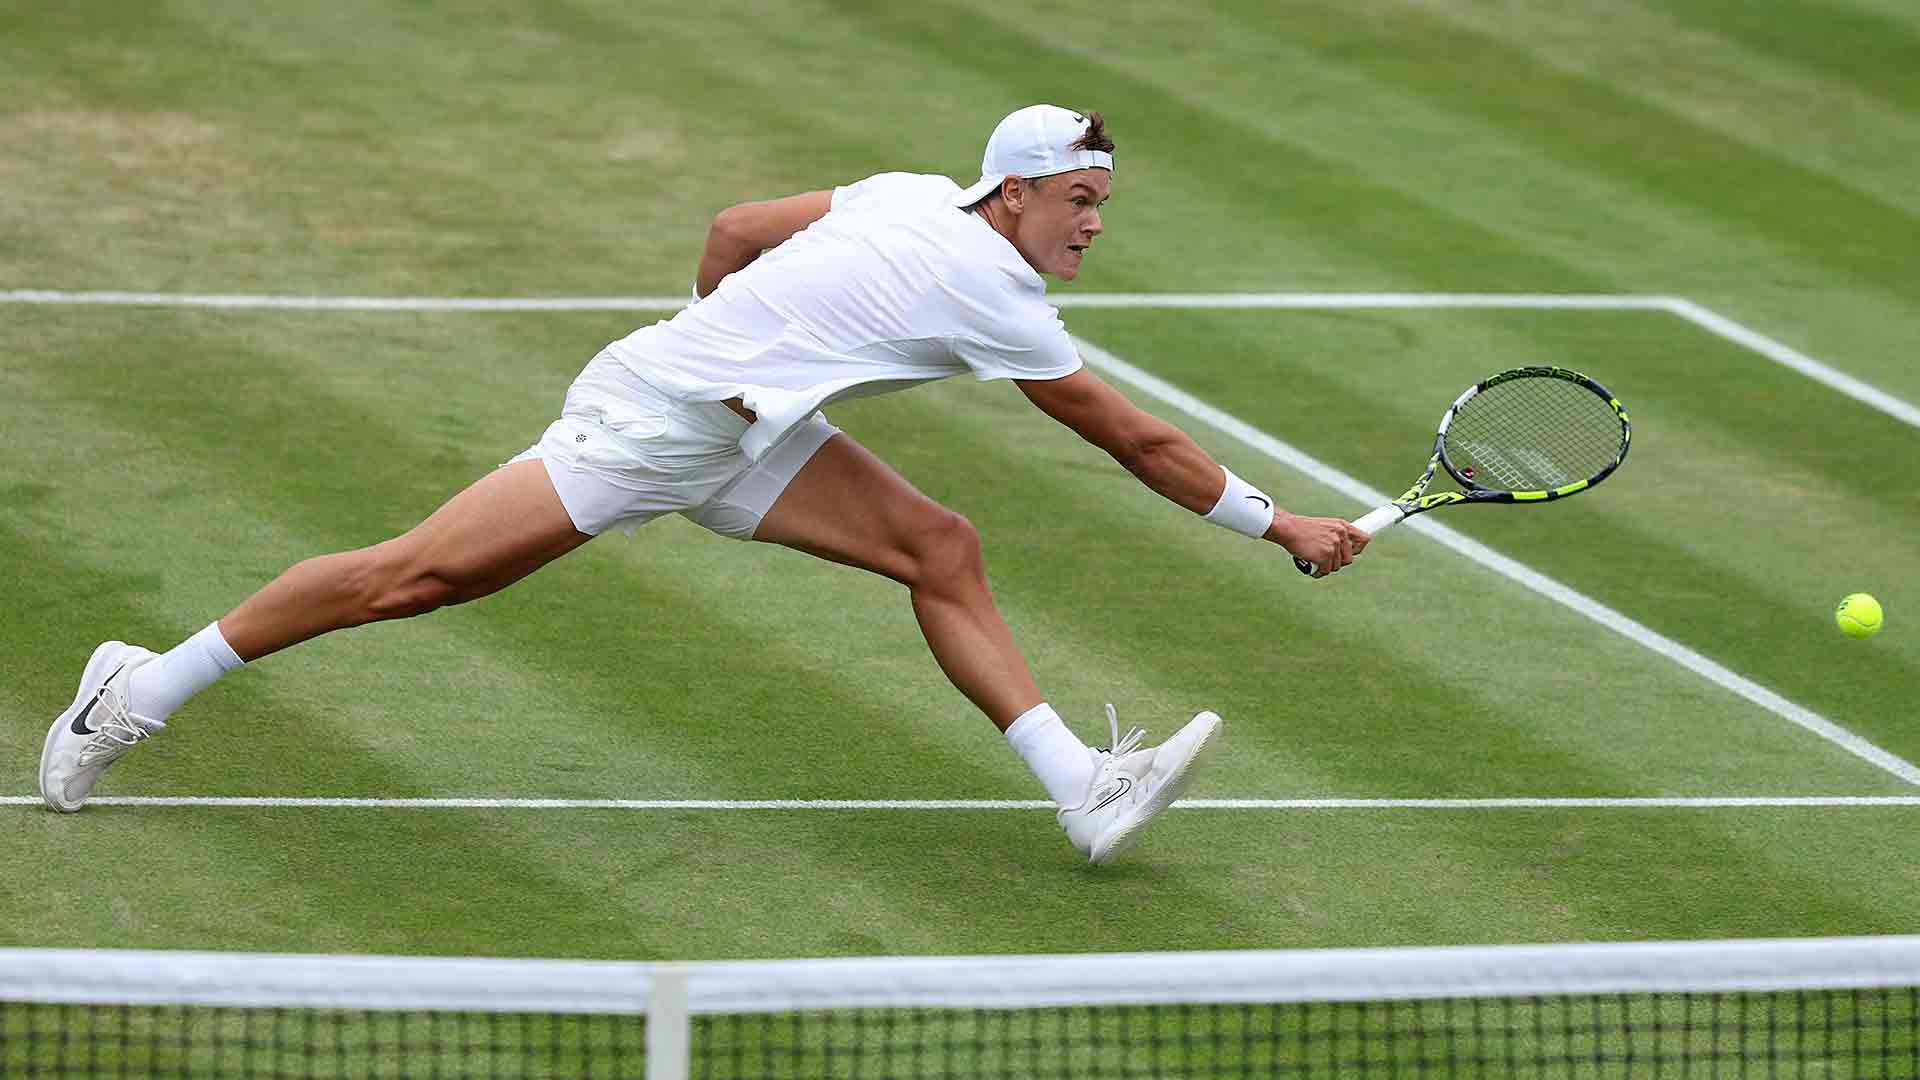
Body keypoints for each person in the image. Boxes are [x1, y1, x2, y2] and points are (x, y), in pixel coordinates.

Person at [39, 105, 1368, 864]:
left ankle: (1079, 782)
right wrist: (1279, 523)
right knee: (414, 580)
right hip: (652, 424)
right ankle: (135, 688)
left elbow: (735, 229)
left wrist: (731, 352)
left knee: (938, 545)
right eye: (1076, 200)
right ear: (1014, 195)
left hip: (728, 421)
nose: (1089, 224)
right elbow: (1139, 442)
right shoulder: (995, 292)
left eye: (1102, 206)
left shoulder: (910, 194)